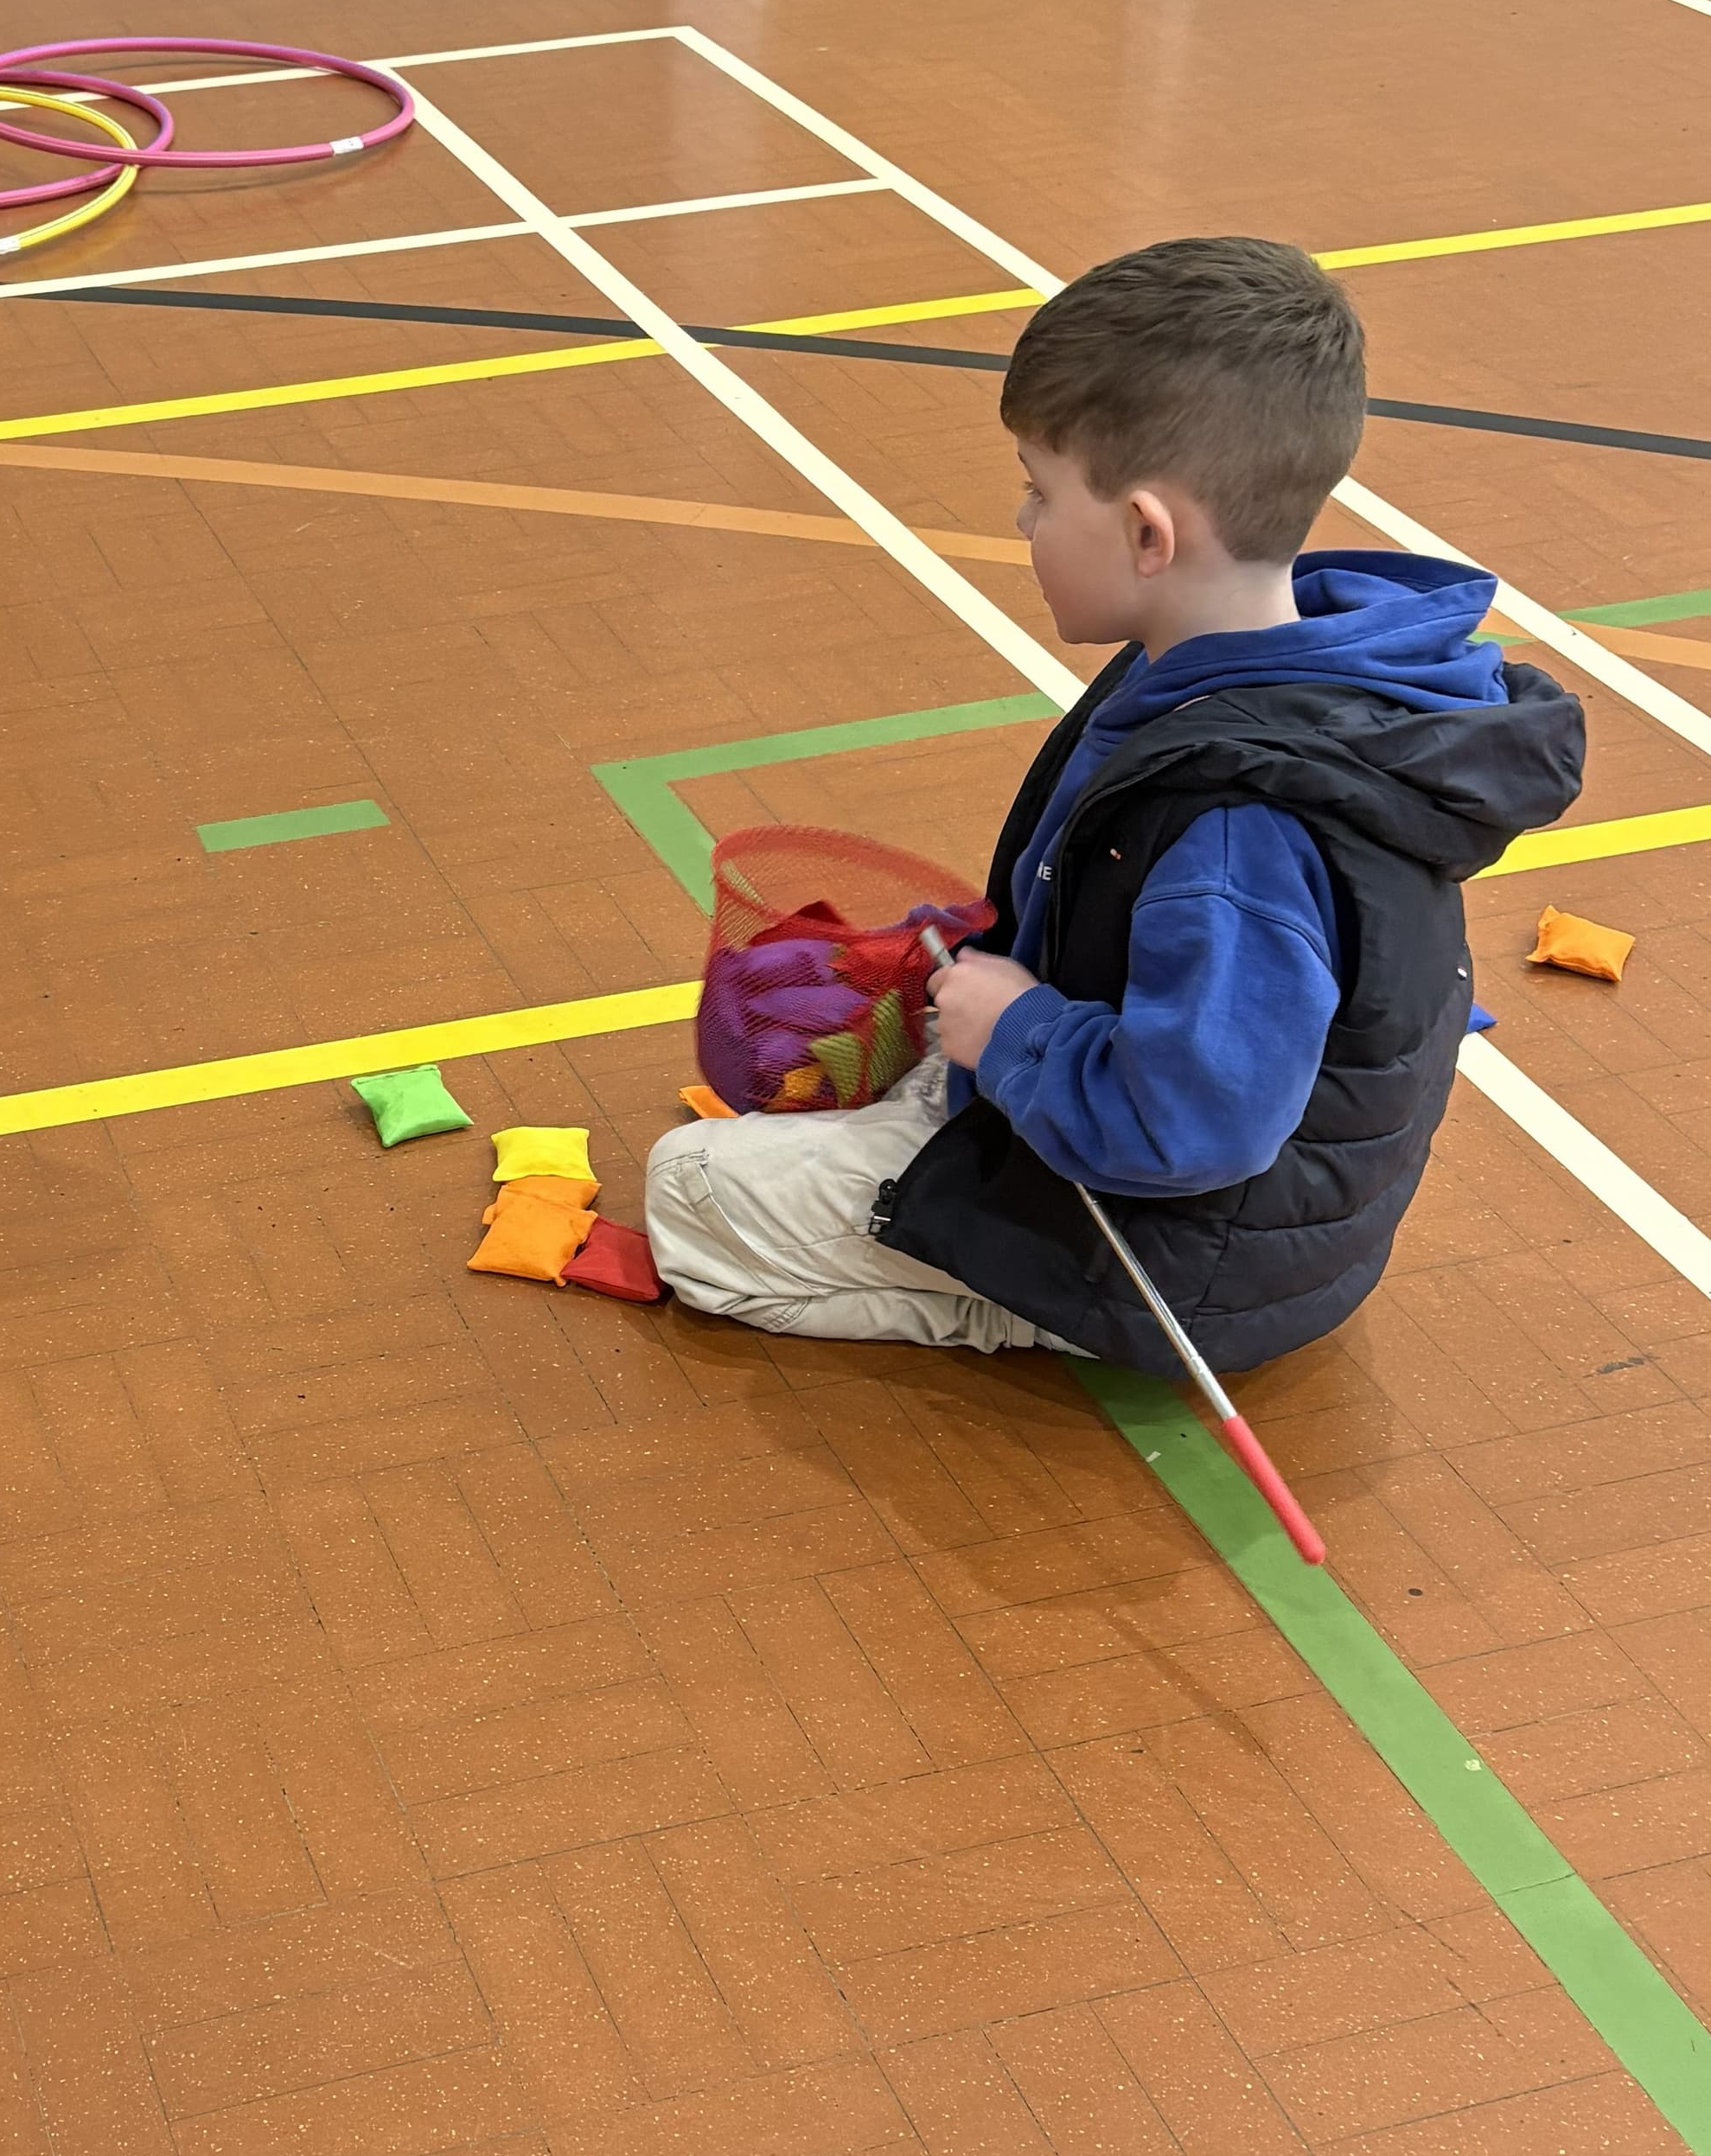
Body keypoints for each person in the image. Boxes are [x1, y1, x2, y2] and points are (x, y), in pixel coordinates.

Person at [642, 234, 1586, 1368]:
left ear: (1148, 532)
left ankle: (1006, 1299)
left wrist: (1022, 1031)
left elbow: (1201, 1123)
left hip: (1185, 1256)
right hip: (1165, 1153)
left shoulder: (1240, 825)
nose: (1025, 522)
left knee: (689, 1190)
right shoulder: (1215, 663)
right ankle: (967, 1143)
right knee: (893, 1066)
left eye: (1041, 494)